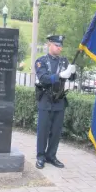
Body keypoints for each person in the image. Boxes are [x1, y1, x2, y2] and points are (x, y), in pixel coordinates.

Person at [34, 35, 76, 169]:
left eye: (60, 46)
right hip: (46, 100)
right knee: (43, 131)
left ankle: (51, 156)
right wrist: (59, 76)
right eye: (57, 45)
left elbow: (71, 78)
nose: (59, 48)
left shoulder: (64, 62)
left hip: (59, 101)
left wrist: (73, 72)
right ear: (49, 45)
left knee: (56, 131)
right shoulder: (41, 61)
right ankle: (40, 156)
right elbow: (43, 78)